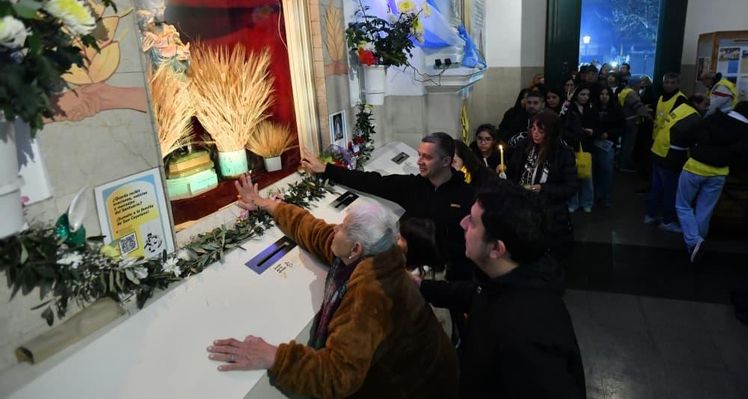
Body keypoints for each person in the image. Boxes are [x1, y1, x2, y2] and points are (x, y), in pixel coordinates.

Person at [207, 176, 458, 399]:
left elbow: (338, 376)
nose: (335, 228)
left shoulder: (370, 293)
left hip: (415, 389)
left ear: (356, 248)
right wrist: (269, 204)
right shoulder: (374, 252)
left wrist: (275, 357)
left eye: (342, 227)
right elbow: (316, 231)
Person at [416, 179, 586, 398]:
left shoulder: (524, 336)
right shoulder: (512, 278)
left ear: (496, 248)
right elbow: (477, 294)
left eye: (473, 222)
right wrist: (421, 286)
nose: (463, 223)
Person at [301, 132, 475, 281]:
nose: (419, 161)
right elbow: (373, 182)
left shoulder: (467, 195)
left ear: (446, 161)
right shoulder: (413, 185)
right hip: (409, 271)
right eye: (419, 154)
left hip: (446, 277)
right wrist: (326, 169)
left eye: (427, 157)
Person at [676, 101, 748, 262]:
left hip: (694, 167)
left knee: (683, 205)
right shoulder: (745, 133)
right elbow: (747, 157)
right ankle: (696, 245)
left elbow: (690, 134)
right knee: (704, 211)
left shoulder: (714, 119)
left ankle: (694, 242)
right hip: (719, 173)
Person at [506, 110, 578, 254]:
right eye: (533, 129)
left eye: (541, 130)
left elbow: (571, 187)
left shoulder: (562, 154)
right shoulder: (524, 146)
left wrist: (542, 188)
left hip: (549, 212)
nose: (535, 134)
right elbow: (514, 170)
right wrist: (504, 170)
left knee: (546, 250)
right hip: (522, 205)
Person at [645, 94, 708, 232]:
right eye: (705, 104)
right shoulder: (695, 118)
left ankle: (651, 215)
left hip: (658, 150)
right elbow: (694, 140)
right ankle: (668, 221)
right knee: (671, 190)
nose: (707, 108)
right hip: (671, 155)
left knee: (657, 187)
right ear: (697, 104)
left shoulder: (682, 108)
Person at [608, 72, 651, 172]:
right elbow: (637, 107)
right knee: (628, 144)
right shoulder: (632, 93)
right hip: (632, 121)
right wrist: (648, 115)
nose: (641, 85)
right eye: (639, 83)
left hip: (625, 120)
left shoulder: (625, 91)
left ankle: (620, 162)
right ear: (635, 84)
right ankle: (624, 164)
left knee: (624, 144)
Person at [563, 84, 595, 213]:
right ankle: (573, 202)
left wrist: (592, 131)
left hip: (586, 146)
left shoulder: (591, 108)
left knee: (587, 176)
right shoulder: (569, 108)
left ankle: (587, 202)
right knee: (573, 176)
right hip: (572, 145)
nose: (585, 97)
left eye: (587, 95)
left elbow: (596, 124)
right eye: (582, 94)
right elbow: (564, 125)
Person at [592, 86, 624, 207]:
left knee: (606, 171)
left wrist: (609, 133)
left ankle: (605, 197)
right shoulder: (593, 107)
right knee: (595, 171)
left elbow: (621, 126)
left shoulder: (616, 108)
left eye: (607, 94)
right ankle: (596, 196)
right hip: (594, 142)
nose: (604, 97)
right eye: (601, 94)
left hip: (608, 144)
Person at [652, 72, 688, 140]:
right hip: (656, 137)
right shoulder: (661, 97)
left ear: (678, 84)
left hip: (669, 140)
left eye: (673, 83)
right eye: (666, 82)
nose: (669, 85)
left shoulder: (681, 99)